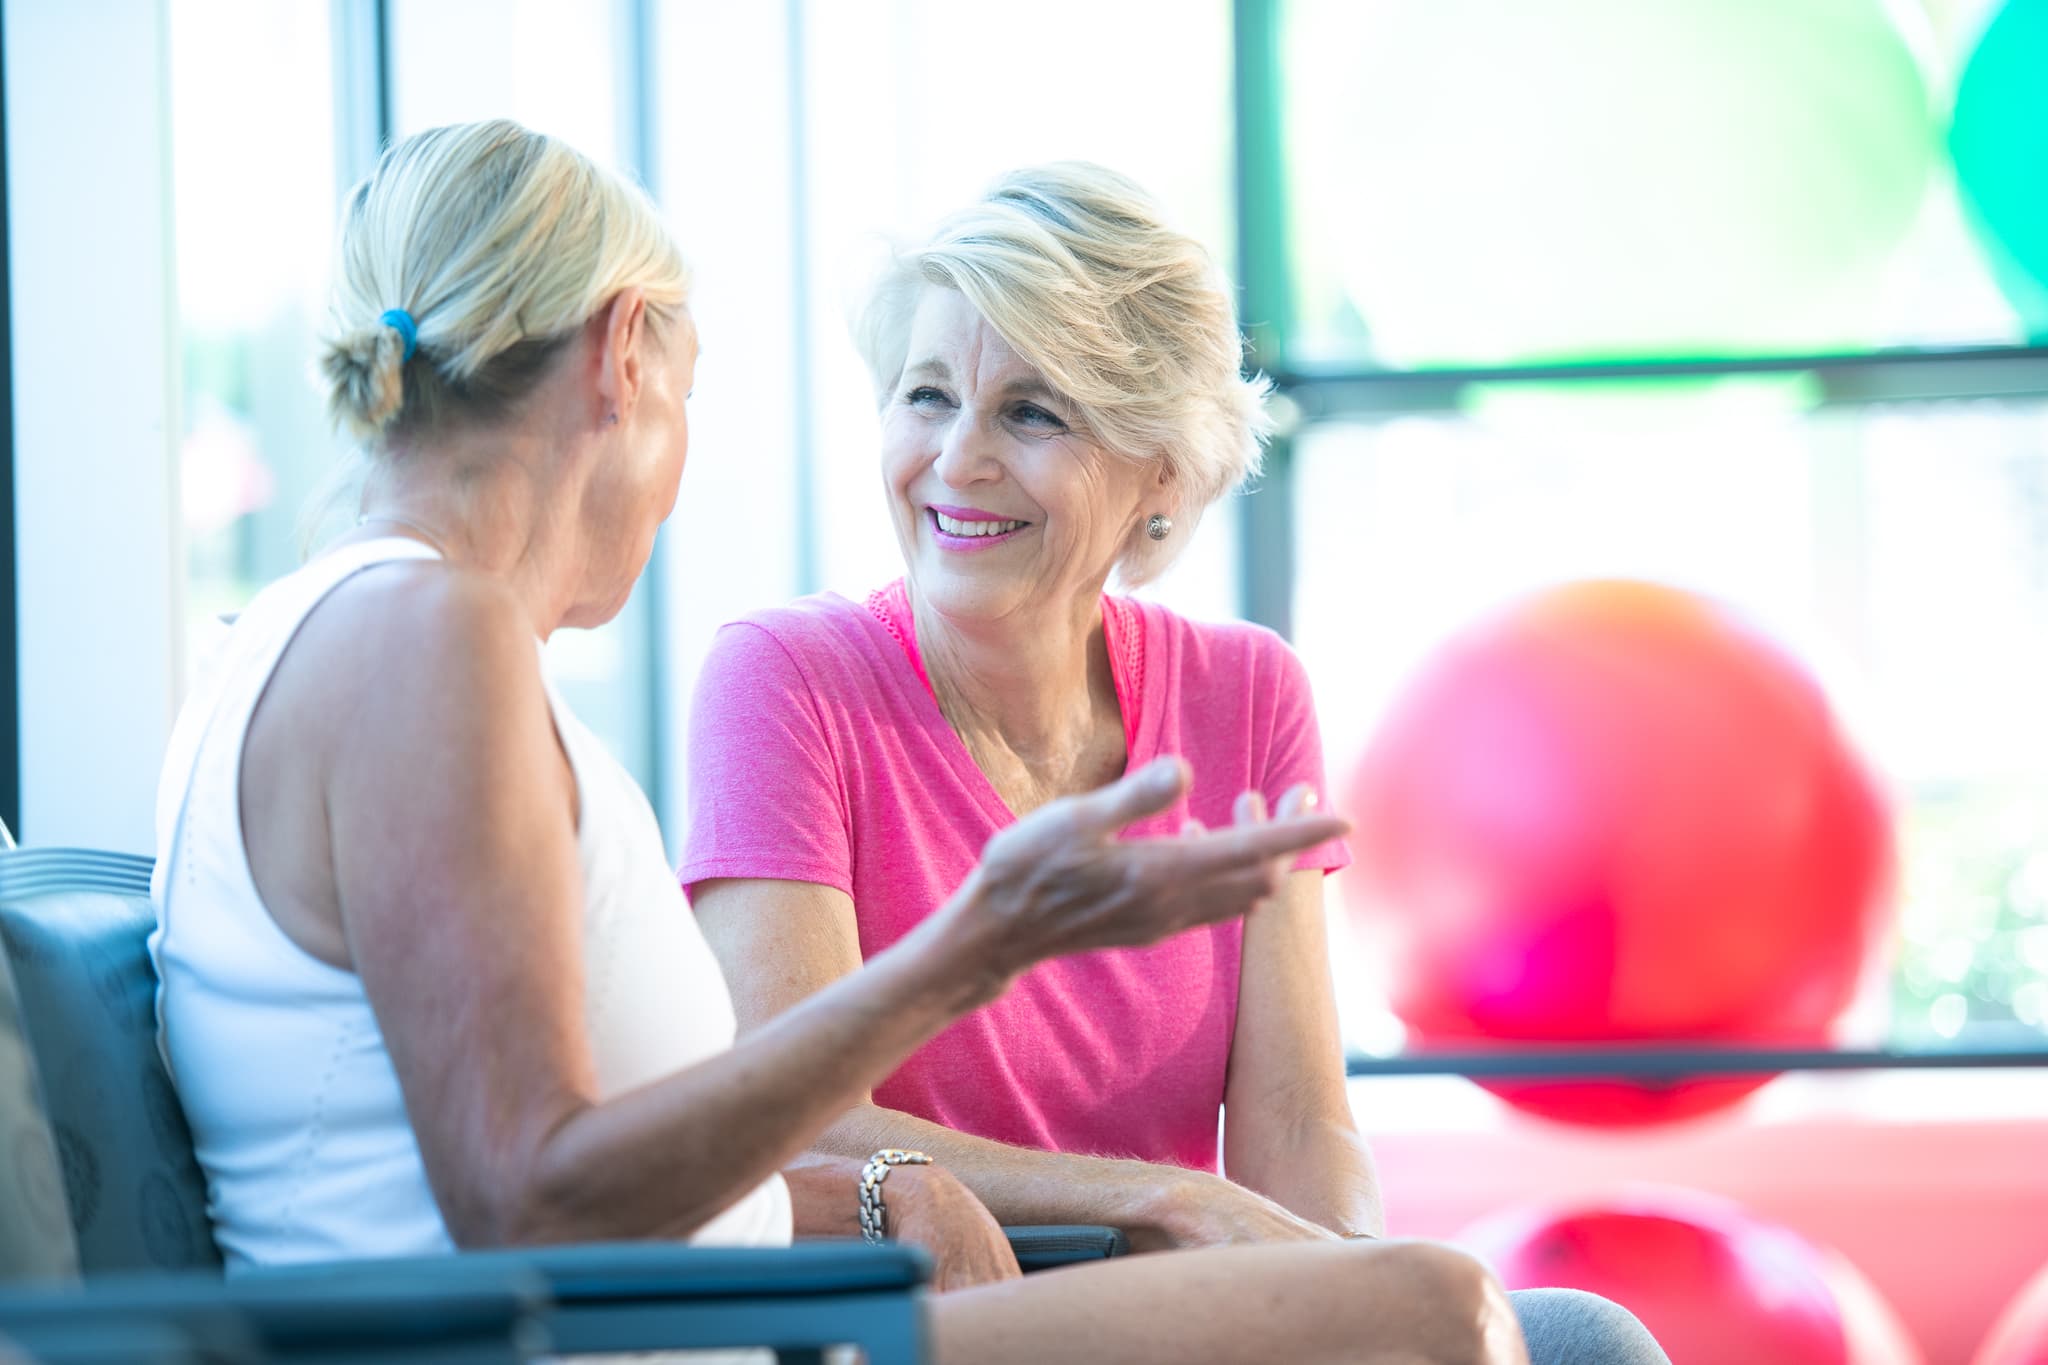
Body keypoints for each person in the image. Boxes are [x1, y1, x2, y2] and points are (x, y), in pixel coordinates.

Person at [149, 118, 1538, 1365]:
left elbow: (586, 1194)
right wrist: (977, 948)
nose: (953, 460)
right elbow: (531, 1198)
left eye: (1032, 411)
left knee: (1490, 1318)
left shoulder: (331, 640)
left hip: (752, 1316)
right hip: (730, 1338)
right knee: (1450, 1318)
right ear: (624, 355)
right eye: (688, 395)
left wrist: (893, 1189)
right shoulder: (422, 640)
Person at [687, 163, 1668, 1363]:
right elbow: (799, 1124)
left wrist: (1343, 1296)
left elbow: (1299, 1125)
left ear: (1157, 473)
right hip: (945, 1314)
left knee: (1579, 1339)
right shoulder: (784, 679)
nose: (956, 460)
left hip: (1175, 1316)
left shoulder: (1245, 693)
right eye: (926, 396)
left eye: (1031, 413)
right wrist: (1162, 1198)